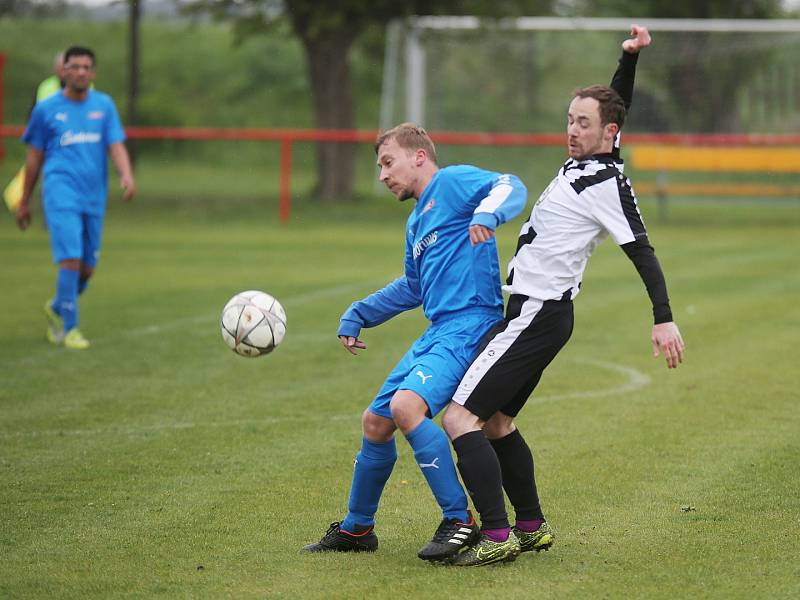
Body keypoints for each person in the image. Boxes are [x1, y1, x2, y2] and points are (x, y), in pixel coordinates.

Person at [441, 25, 686, 566]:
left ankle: (497, 537)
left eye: (583, 124)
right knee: (499, 421)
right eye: (569, 120)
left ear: (608, 133)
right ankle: (530, 527)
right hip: (534, 312)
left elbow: (642, 252)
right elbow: (617, 105)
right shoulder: (594, 155)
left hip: (538, 313)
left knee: (460, 418)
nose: (572, 131)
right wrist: (628, 58)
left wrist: (663, 317)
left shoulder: (607, 185)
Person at [303, 123, 528, 561]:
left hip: (470, 324)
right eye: (380, 166)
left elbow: (509, 184)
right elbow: (412, 286)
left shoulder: (452, 182)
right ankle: (356, 529)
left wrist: (488, 214)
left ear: (419, 157)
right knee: (375, 421)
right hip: (438, 329)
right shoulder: (415, 221)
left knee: (407, 407)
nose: (383, 175)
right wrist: (360, 313)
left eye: (388, 162)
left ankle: (460, 521)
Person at [16, 46, 135, 349]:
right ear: (63, 71)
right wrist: (24, 200)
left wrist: (126, 174)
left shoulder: (104, 106)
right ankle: (70, 329)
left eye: (86, 67)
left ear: (92, 73)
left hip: (93, 194)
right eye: (75, 66)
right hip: (59, 191)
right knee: (70, 257)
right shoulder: (46, 110)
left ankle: (58, 305)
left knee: (87, 268)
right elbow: (34, 159)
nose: (81, 72)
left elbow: (116, 145)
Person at [4, 52, 66, 213]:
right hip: (48, 140)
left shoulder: (86, 88)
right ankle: (39, 208)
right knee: (46, 175)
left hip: (71, 141)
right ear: (55, 69)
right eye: (61, 68)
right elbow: (35, 114)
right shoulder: (46, 87)